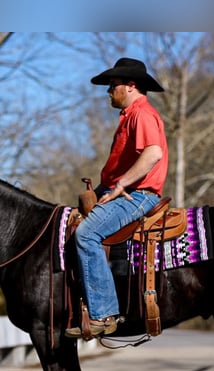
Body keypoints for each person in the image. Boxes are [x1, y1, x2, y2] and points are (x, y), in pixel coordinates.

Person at [66, 57, 169, 338]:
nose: (108, 91)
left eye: (113, 86)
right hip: (121, 190)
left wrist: (121, 185)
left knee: (86, 235)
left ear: (131, 86)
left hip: (138, 195)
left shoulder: (142, 114)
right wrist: (102, 189)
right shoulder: (129, 116)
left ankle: (103, 314)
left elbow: (153, 153)